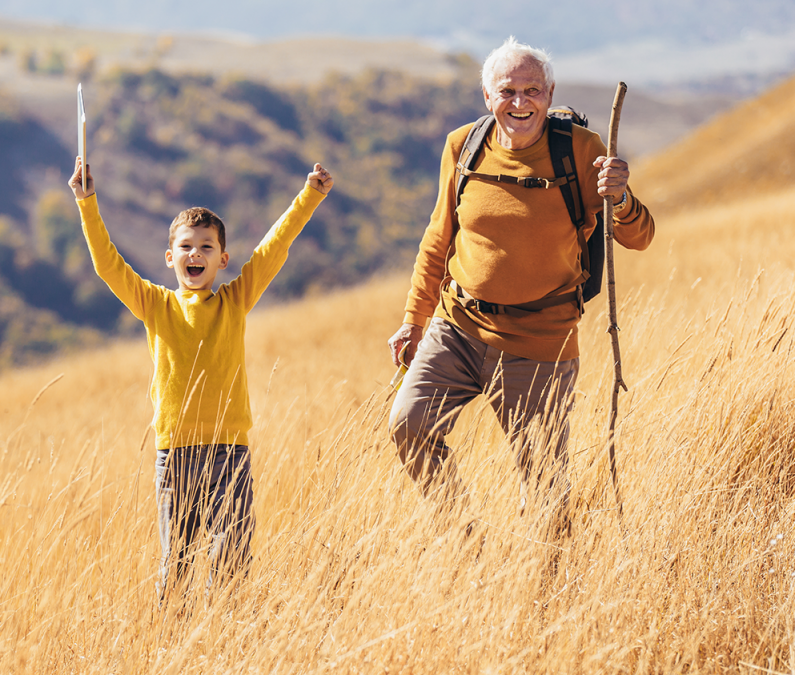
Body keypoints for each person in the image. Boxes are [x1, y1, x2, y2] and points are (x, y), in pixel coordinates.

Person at [387, 37, 654, 534]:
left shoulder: (581, 150)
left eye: (532, 90)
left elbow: (640, 237)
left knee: (546, 486)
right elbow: (438, 237)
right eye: (507, 91)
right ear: (487, 97)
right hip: (458, 326)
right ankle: (465, 541)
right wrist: (413, 320)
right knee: (409, 424)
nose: (520, 102)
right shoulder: (462, 145)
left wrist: (619, 200)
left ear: (550, 95)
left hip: (541, 342)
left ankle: (546, 588)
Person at [69, 157, 334, 595]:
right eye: (187, 247)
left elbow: (273, 249)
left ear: (223, 259)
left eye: (207, 247)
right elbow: (108, 265)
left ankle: (223, 644)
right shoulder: (155, 305)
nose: (197, 254)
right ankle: (172, 645)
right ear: (170, 257)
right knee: (177, 565)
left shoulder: (234, 301)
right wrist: (87, 202)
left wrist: (310, 197)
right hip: (175, 455)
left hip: (230, 451)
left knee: (233, 562)